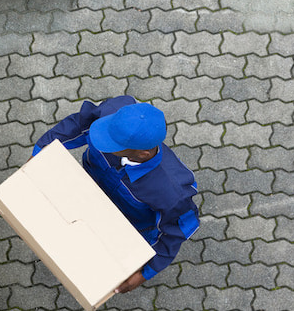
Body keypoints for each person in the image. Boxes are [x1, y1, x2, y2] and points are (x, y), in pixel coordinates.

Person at [32, 95, 199, 294]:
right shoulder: (114, 113)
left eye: (112, 143)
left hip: (127, 225)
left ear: (142, 153)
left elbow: (174, 233)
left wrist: (144, 273)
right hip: (87, 192)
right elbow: (78, 125)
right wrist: (40, 153)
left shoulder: (173, 192)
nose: (99, 139)